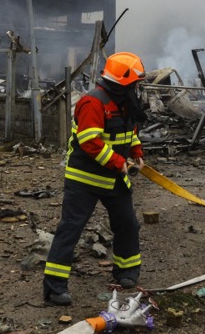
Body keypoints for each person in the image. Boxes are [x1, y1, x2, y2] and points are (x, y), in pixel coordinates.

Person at [43, 52, 147, 306]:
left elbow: (129, 132)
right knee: (71, 228)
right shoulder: (93, 102)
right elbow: (90, 142)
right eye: (135, 82)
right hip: (85, 180)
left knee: (127, 223)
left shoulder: (124, 102)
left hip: (113, 178)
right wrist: (119, 163)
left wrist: (136, 152)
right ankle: (54, 287)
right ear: (123, 81)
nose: (137, 87)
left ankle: (126, 271)